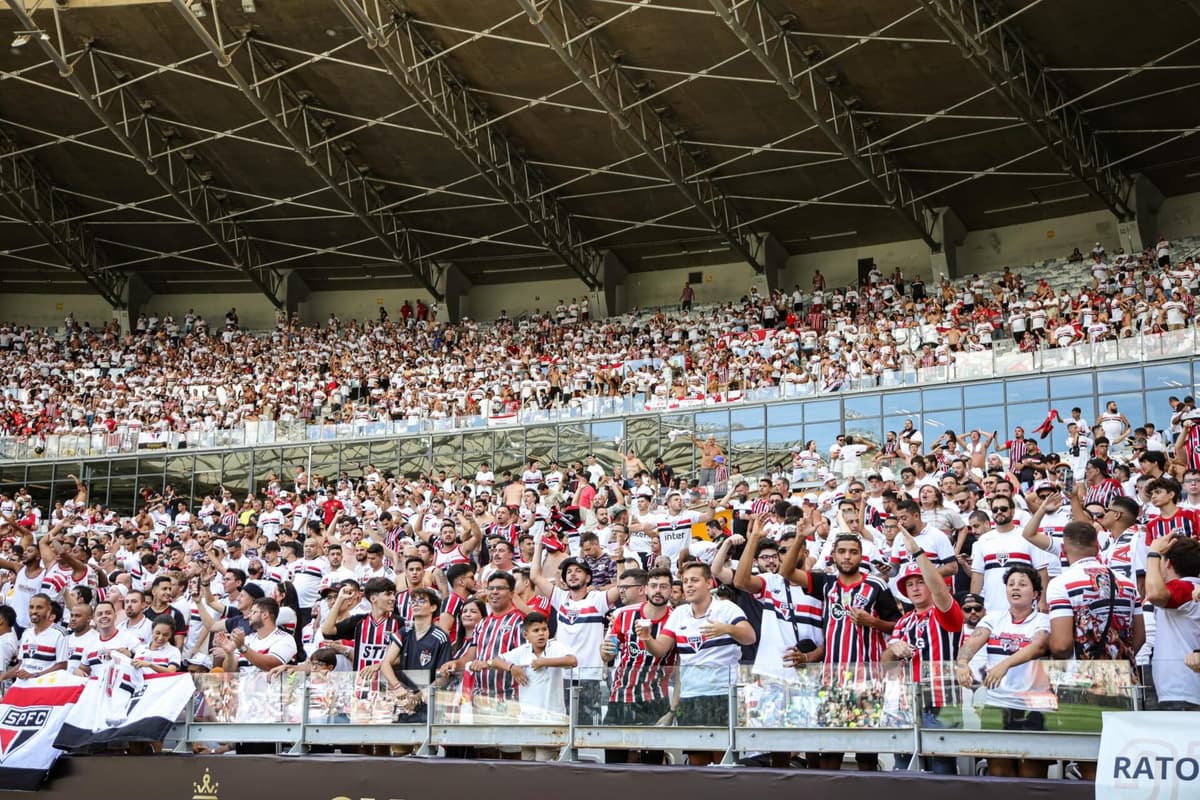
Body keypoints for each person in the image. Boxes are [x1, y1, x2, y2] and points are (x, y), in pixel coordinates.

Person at [780, 533, 902, 771]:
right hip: (832, 681)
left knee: (866, 755)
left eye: (853, 552)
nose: (847, 557)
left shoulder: (876, 585)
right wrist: (799, 537)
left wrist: (874, 622)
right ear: (833, 555)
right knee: (830, 754)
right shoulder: (826, 583)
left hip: (867, 680)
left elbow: (897, 625)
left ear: (861, 556)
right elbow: (787, 572)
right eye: (842, 551)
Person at [638, 561, 755, 767]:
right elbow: (660, 649)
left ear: (709, 583)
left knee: (724, 760)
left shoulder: (726, 608)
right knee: (696, 761)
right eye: (684, 581)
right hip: (690, 697)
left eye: (694, 580)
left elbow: (750, 636)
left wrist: (727, 629)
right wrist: (647, 638)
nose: (688, 585)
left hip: (723, 695)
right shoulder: (679, 614)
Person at [955, 564, 1051, 778]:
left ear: (1035, 593)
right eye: (1011, 584)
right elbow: (972, 642)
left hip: (1033, 707)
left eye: (1023, 584)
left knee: (1031, 777)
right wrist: (962, 662)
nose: (1015, 588)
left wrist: (1004, 664)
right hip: (997, 705)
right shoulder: (993, 618)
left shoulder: (1043, 620)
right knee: (999, 775)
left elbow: (1039, 646)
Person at [884, 529, 964, 774]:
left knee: (942, 771)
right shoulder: (902, 622)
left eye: (921, 582)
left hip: (941, 702)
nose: (916, 588)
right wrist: (892, 651)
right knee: (903, 770)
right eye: (910, 584)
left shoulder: (945, 612)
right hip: (905, 704)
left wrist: (917, 552)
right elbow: (886, 666)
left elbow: (940, 591)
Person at [602, 569, 674, 764]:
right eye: (654, 586)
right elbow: (608, 653)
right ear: (646, 589)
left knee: (651, 766)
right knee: (614, 762)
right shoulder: (623, 614)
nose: (658, 591)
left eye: (664, 586)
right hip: (621, 695)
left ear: (671, 590)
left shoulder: (676, 618)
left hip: (655, 698)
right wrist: (605, 651)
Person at [487, 612, 577, 761]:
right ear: (526, 634)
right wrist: (512, 667)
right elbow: (496, 660)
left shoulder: (555, 646)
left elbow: (572, 660)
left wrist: (544, 662)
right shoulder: (522, 651)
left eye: (544, 629)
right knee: (527, 766)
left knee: (543, 767)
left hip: (551, 721)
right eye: (536, 630)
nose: (541, 634)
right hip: (527, 721)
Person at [1141, 535, 1200, 709]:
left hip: (1182, 688)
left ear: (1167, 563)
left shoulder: (1185, 587)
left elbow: (1155, 594)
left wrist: (1153, 555)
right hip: (1184, 687)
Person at [380, 587, 452, 723]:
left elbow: (443, 676)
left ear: (433, 607)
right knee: (399, 743)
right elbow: (385, 664)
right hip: (403, 701)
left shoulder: (440, 636)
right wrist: (398, 688)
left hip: (428, 704)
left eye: (421, 601)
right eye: (413, 601)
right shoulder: (405, 631)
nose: (415, 604)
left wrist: (418, 696)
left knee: (422, 742)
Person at [217, 597, 297, 673]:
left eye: (253, 612)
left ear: (265, 615)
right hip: (244, 685)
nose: (249, 616)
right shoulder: (247, 639)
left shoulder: (285, 639)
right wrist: (229, 653)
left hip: (270, 686)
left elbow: (270, 665)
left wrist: (242, 648)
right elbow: (230, 671)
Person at [2, 594, 67, 681]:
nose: (34, 611)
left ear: (49, 610)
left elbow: (62, 666)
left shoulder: (60, 633)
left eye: (39, 607)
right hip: (22, 686)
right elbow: (22, 664)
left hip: (43, 687)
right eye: (31, 607)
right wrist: (3, 677)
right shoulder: (26, 633)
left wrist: (35, 675)